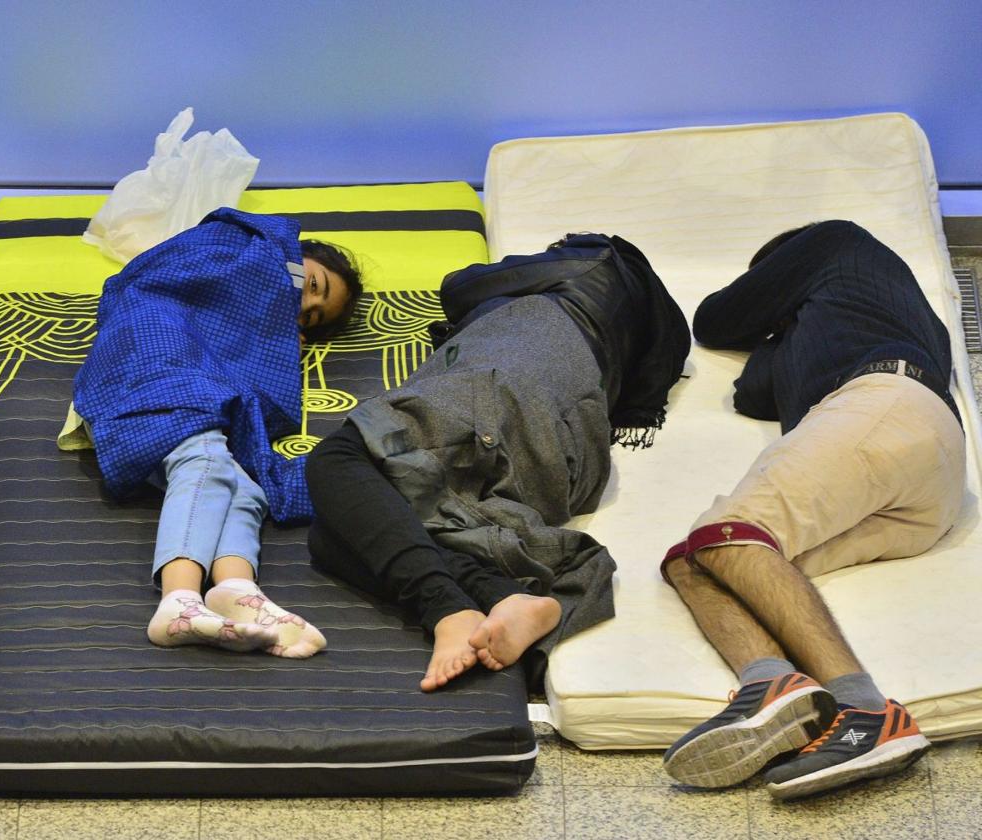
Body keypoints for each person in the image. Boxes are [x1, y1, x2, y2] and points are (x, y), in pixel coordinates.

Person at [660, 220, 965, 800]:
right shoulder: (853, 319)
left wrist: (769, 297)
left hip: (885, 407)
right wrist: (789, 328)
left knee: (728, 535)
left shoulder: (836, 241)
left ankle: (866, 709)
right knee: (693, 561)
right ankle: (771, 687)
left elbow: (714, 320)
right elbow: (752, 392)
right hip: (926, 486)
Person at [305, 232, 691, 691]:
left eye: (311, 286)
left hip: (507, 390)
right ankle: (504, 595)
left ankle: (447, 609)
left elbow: (461, 286)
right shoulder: (604, 333)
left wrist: (553, 256)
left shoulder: (585, 265)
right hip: (561, 454)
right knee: (336, 535)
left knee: (338, 455)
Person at [72, 209, 362, 658]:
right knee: (205, 458)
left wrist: (275, 339)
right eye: (312, 286)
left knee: (244, 485)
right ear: (296, 255)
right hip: (151, 340)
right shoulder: (239, 243)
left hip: (201, 374)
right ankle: (179, 601)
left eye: (311, 318)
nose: (301, 306)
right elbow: (156, 277)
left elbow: (248, 358)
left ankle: (236, 591)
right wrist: (271, 314)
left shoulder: (280, 319)